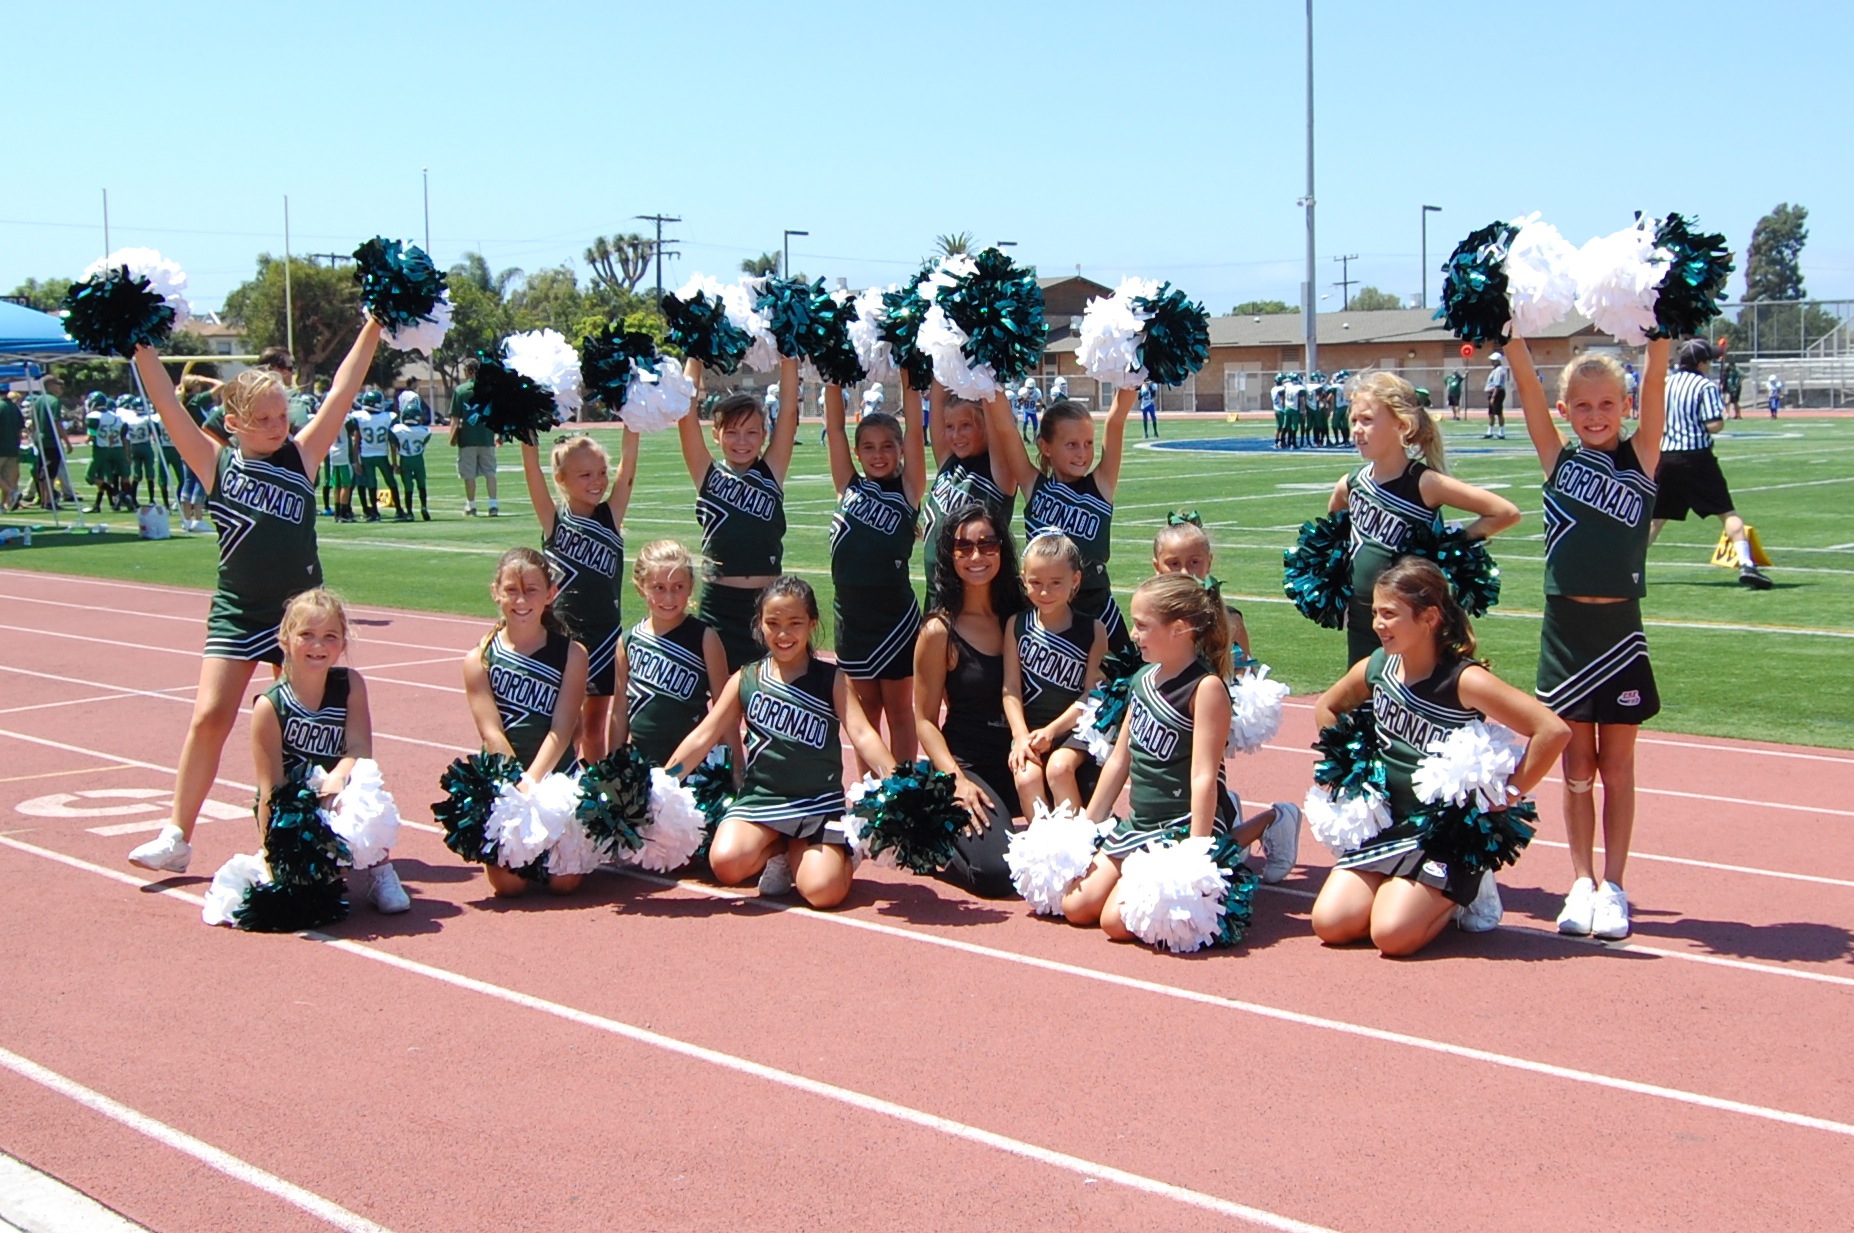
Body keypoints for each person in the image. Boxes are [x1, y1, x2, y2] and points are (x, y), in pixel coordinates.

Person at [124, 319, 383, 874]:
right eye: (262, 419)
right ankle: (177, 834)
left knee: (298, 728)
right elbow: (169, 404)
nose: (276, 426)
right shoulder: (214, 462)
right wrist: (141, 344)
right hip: (239, 610)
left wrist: (374, 324)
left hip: (300, 617)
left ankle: (313, 838)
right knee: (210, 717)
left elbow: (343, 388)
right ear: (234, 422)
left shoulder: (302, 456)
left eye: (281, 416)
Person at [1307, 558, 1570, 954]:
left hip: (1441, 834)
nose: (1378, 624)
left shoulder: (1464, 680)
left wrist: (1509, 793)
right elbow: (1328, 707)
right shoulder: (1377, 667)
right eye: (1376, 613)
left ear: (1429, 618)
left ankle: (1469, 891)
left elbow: (1552, 730)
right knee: (1331, 924)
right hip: (1386, 824)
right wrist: (1351, 770)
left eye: (1390, 614)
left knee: (1392, 936)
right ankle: (1411, 893)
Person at [1508, 337, 1666, 940]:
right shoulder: (1559, 461)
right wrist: (1514, 338)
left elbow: (1656, 387)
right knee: (1575, 765)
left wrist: (1661, 337)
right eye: (1582, 406)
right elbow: (1525, 390)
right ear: (1565, 411)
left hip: (1620, 634)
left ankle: (1617, 887)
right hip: (1566, 635)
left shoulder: (1643, 457)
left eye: (1607, 404)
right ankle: (1580, 883)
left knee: (1616, 767)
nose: (1595, 416)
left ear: (1624, 406)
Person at [1061, 574, 1304, 936]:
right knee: (1076, 907)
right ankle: (1235, 840)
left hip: (1181, 826)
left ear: (1180, 628)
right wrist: (1086, 828)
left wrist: (1197, 852)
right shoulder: (1142, 679)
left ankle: (1271, 820)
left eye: (1142, 626)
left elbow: (1205, 774)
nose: (1133, 635)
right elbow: (1119, 760)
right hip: (1141, 823)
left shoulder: (1205, 689)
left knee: (1116, 922)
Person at [664, 576, 895, 909]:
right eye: (773, 623)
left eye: (794, 623)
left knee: (822, 892)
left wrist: (896, 780)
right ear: (760, 624)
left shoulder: (832, 678)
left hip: (816, 803)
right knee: (726, 865)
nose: (783, 634)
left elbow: (862, 734)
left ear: (812, 624)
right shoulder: (747, 678)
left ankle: (845, 851)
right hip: (763, 799)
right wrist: (663, 782)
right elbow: (705, 734)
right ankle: (781, 852)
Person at [1325, 372, 1521, 664]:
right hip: (1363, 617)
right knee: (1364, 696)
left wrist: (1447, 547)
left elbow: (1505, 513)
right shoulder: (1350, 484)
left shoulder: (1424, 483)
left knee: (1410, 695)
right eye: (1353, 421)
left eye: (1366, 420)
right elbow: (1334, 524)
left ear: (1402, 425)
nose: (1356, 429)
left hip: (1410, 621)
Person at [250, 588, 409, 914]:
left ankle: (381, 871)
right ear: (285, 638)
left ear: (343, 644)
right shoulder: (270, 706)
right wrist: (272, 854)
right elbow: (270, 789)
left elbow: (360, 748)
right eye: (306, 634)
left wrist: (337, 777)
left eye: (329, 636)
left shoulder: (350, 685)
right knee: (311, 898)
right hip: (294, 809)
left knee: (366, 784)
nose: (318, 645)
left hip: (338, 795)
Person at [461, 547, 590, 898]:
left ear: (551, 594)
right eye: (512, 590)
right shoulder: (479, 659)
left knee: (564, 883)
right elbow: (491, 732)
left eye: (532, 590)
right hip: (507, 778)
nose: (521, 600)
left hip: (555, 777)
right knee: (508, 885)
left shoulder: (572, 654)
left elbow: (563, 729)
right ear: (495, 593)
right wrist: (515, 786)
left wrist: (534, 781)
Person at [913, 505, 1027, 897]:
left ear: (1002, 549)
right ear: (949, 555)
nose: (976, 556)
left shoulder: (1025, 616)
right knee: (995, 874)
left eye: (986, 544)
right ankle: (936, 832)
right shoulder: (938, 629)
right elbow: (925, 720)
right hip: (969, 768)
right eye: (963, 547)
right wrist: (956, 780)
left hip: (1022, 766)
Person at [520, 429, 639, 764]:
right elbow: (533, 473)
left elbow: (628, 466)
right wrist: (526, 432)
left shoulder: (611, 515)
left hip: (604, 638)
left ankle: (597, 790)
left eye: (601, 473)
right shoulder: (553, 520)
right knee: (565, 725)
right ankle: (562, 784)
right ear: (561, 479)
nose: (597, 482)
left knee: (595, 723)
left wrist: (634, 419)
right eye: (585, 475)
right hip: (563, 638)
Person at [825, 379, 925, 766]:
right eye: (868, 447)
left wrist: (908, 373)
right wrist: (834, 374)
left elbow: (916, 427)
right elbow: (834, 426)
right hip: (850, 617)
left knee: (899, 711)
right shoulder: (846, 485)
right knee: (865, 714)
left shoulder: (909, 489)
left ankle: (904, 792)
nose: (878, 455)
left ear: (900, 449)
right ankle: (870, 796)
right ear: (856, 451)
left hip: (894, 617)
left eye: (887, 446)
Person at [677, 356, 800, 671]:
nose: (741, 441)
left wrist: (789, 357)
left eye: (751, 432)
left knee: (767, 697)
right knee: (723, 704)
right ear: (716, 435)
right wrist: (695, 355)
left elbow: (788, 411)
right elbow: (685, 415)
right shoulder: (708, 474)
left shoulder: (770, 471)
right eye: (731, 432)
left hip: (768, 604)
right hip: (719, 604)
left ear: (764, 434)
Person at [994, 386, 1136, 650]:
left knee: (1118, 683)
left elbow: (1115, 421)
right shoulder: (1033, 486)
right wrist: (989, 380)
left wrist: (1133, 376)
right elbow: (1005, 430)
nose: (1082, 453)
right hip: (1044, 607)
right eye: (1071, 445)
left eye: (1088, 443)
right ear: (1045, 447)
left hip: (1096, 605)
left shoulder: (1101, 485)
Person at [1651, 340, 1772, 589]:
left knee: (1656, 519)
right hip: (1697, 457)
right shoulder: (1704, 386)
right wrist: (1722, 420)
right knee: (1727, 512)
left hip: (1667, 457)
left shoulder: (1666, 383)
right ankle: (1747, 564)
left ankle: (1625, 568)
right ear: (1701, 363)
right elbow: (1712, 423)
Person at [1003, 531, 1104, 812]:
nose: (1045, 592)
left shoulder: (1093, 629)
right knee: (1027, 777)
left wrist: (1052, 730)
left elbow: (1091, 696)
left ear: (1075, 580)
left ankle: (1074, 845)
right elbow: (1010, 689)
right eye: (1035, 583)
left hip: (1074, 730)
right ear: (1024, 580)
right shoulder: (1017, 625)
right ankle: (1040, 847)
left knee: (1059, 769)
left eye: (1055, 583)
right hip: (1030, 729)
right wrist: (1021, 736)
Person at [617, 540, 734, 768]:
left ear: (690, 585)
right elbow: (619, 713)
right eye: (658, 588)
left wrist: (735, 766)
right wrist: (614, 764)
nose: (669, 598)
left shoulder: (705, 638)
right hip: (642, 764)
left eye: (678, 587)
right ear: (641, 586)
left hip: (692, 765)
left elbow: (723, 711)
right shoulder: (628, 641)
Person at [921, 382, 1026, 596]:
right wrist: (949, 351)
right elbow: (938, 395)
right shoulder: (948, 461)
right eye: (950, 427)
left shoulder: (999, 472)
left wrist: (987, 371)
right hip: (935, 595)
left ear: (985, 426)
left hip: (976, 598)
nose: (956, 435)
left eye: (966, 425)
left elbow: (998, 419)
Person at [1151, 514, 1256, 670]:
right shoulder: (1150, 618)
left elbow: (1246, 678)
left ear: (1209, 562)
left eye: (1194, 562)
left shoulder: (1229, 621)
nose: (1185, 572)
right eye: (1174, 563)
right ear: (1157, 567)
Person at [450, 359, 500, 516]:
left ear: (467, 371)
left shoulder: (461, 391)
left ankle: (471, 506)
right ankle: (493, 505)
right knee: (490, 472)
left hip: (468, 439)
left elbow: (455, 418)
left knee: (469, 474)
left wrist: (452, 437)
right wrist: (499, 434)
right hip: (487, 437)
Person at [349, 390, 403, 522]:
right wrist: (395, 462)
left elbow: (356, 442)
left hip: (366, 455)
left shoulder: (359, 417)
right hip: (381, 455)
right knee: (390, 481)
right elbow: (392, 443)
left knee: (371, 483)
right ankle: (399, 510)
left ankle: (374, 511)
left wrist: (356, 460)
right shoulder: (387, 417)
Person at [26, 377, 75, 508]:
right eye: (59, 385)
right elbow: (56, 422)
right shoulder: (54, 401)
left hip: (39, 438)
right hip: (50, 439)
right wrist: (67, 442)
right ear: (51, 385)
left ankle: (43, 499)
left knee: (42, 469)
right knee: (51, 471)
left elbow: (33, 421)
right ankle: (49, 500)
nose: (61, 389)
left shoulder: (37, 400)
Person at [389, 406, 433, 521]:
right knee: (421, 485)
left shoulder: (397, 429)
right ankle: (424, 507)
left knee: (408, 487)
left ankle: (409, 512)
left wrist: (394, 463)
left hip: (405, 459)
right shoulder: (425, 431)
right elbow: (424, 441)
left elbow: (394, 445)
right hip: (418, 459)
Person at [0, 389, 22, 510]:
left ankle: (12, 492)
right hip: (13, 448)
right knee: (6, 478)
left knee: (4, 480)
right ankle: (3, 505)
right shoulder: (14, 408)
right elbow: (20, 429)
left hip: (1, 447)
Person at [1483, 351, 1509, 439]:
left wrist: (1493, 396)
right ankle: (1490, 431)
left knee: (1498, 412)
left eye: (1493, 360)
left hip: (1497, 393)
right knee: (1491, 413)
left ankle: (1501, 432)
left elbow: (1497, 385)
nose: (1492, 362)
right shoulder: (1496, 370)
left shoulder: (1499, 370)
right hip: (1495, 392)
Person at [1721, 355, 1743, 419]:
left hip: (1735, 388)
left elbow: (1742, 375)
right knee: (1728, 402)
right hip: (1729, 388)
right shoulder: (1728, 370)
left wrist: (1738, 383)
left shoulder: (1736, 370)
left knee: (1735, 402)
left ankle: (1738, 415)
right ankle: (1728, 414)